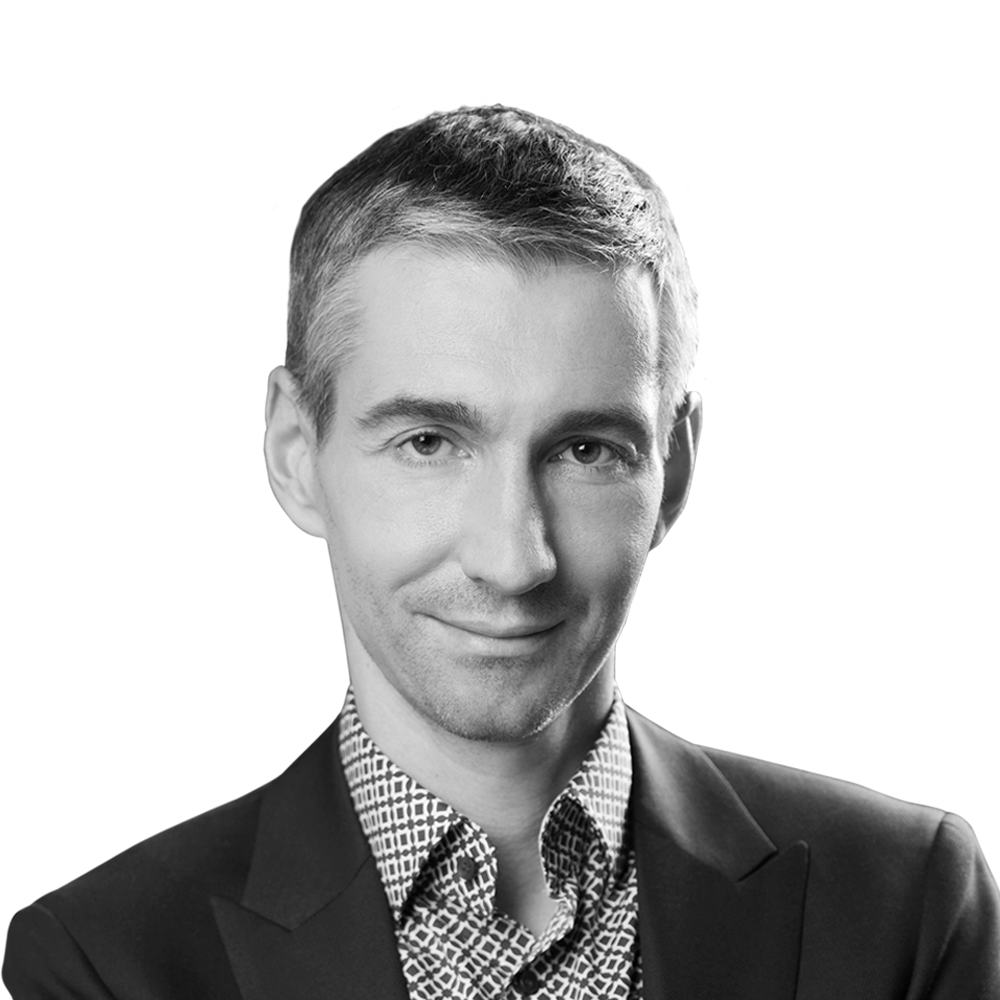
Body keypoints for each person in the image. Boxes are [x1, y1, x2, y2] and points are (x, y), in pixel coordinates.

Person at [3, 105, 998, 1000]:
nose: (514, 561)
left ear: (676, 470)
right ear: (297, 456)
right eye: (428, 443)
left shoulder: (911, 906)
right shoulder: (100, 965)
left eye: (586, 450)